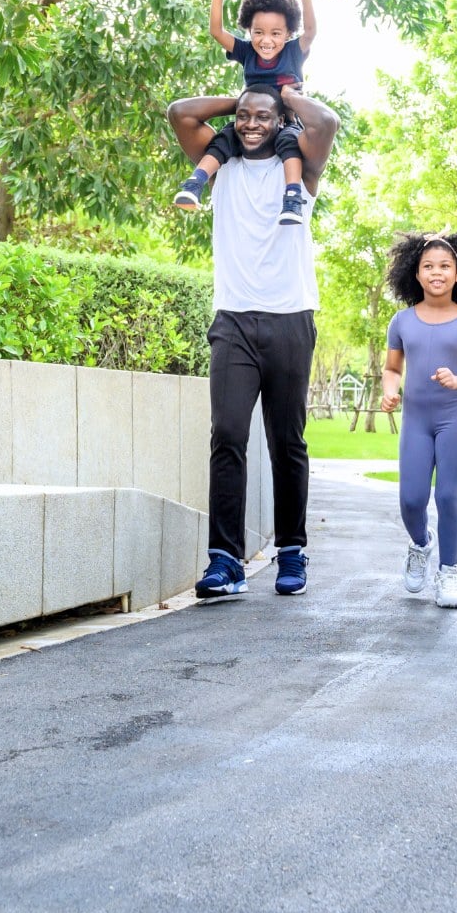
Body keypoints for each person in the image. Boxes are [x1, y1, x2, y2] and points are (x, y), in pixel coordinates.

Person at [167, 81, 339, 599]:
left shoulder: (302, 170)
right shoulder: (222, 167)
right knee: (228, 437)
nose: (250, 124)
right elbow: (180, 112)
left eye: (262, 117)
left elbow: (325, 123)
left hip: (290, 318)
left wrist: (279, 101)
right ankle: (226, 560)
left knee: (287, 442)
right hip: (234, 322)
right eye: (243, 117)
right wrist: (244, 99)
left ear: (282, 120)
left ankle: (292, 552)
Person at [381, 230, 457, 609]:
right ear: (416, 274)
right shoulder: (401, 321)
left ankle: (449, 572)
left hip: (452, 419)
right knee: (411, 499)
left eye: (445, 266)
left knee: (448, 496)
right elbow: (392, 368)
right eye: (428, 266)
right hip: (415, 421)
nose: (437, 273)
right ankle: (421, 544)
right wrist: (389, 390)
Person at [173, 0, 317, 225]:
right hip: (253, 118)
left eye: (276, 33)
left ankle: (293, 197)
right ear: (249, 31)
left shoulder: (293, 52)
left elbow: (310, 32)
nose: (266, 40)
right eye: (258, 32)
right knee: (226, 138)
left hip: (283, 120)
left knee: (290, 144)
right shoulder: (246, 51)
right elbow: (216, 32)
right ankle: (195, 182)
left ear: (287, 34)